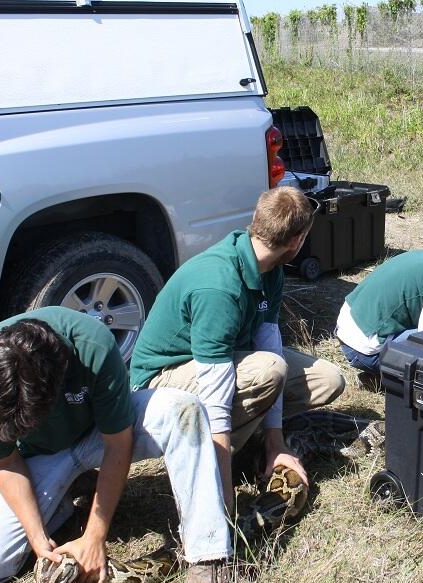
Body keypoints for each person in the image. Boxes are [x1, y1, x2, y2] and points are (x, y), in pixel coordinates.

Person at [0, 307, 233, 583]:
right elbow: (5, 462)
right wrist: (37, 538)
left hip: (102, 433)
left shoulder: (91, 345)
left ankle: (208, 557)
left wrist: (94, 535)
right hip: (40, 457)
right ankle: (65, 496)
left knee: (184, 410)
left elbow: (118, 443)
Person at [129, 186, 345, 524]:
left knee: (327, 379)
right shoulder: (218, 284)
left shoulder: (269, 269)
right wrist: (223, 488)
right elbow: (216, 388)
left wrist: (277, 441)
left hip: (228, 361)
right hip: (160, 381)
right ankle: (212, 464)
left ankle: (261, 443)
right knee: (269, 370)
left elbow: (269, 342)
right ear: (297, 240)